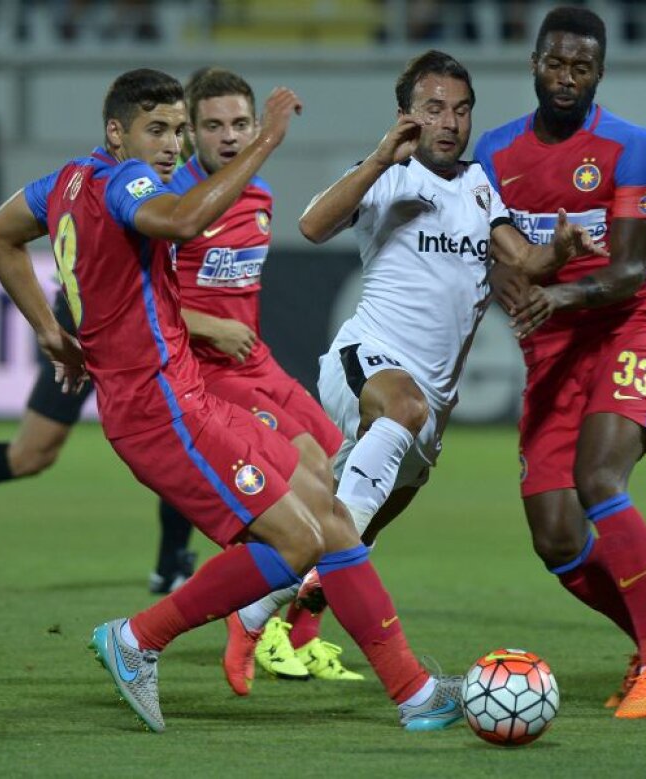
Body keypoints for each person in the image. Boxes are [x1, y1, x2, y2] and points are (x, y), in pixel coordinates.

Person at [0, 67, 463, 734]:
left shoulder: (63, 182)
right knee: (294, 541)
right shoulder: (128, 183)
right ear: (115, 133)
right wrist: (266, 139)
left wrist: (49, 330)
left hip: (181, 392)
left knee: (327, 513)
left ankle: (415, 693)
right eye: (158, 129)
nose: (172, 144)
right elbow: (178, 221)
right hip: (158, 407)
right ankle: (139, 638)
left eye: (179, 129)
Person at [222, 49, 604, 687]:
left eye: (460, 109)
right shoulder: (388, 174)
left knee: (348, 529)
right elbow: (312, 225)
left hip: (433, 402)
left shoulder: (480, 185)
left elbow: (525, 262)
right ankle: (302, 629)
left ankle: (255, 608)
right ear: (407, 116)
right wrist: (379, 157)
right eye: (433, 109)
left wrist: (559, 250)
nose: (449, 122)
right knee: (398, 418)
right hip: (368, 362)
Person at [473, 5, 646, 720]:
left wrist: (555, 297)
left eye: (582, 67)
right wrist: (515, 288)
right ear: (533, 63)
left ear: (600, 73)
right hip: (552, 352)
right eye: (555, 64)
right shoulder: (494, 155)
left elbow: (629, 270)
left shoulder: (634, 145)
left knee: (599, 479)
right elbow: (493, 255)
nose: (566, 79)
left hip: (626, 329)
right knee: (556, 537)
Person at [169, 66, 363, 687]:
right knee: (305, 471)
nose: (229, 136)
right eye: (214, 125)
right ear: (192, 131)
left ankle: (299, 634)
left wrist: (235, 332)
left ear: (256, 125)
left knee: (343, 478)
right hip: (207, 374)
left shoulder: (258, 194)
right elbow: (143, 301)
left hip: (259, 363)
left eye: (240, 124)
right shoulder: (173, 203)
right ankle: (256, 621)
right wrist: (210, 328)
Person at [0, 290, 195, 593]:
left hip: (146, 325)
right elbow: (1, 240)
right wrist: (48, 327)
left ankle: (170, 564)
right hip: (86, 315)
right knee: (31, 454)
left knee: (177, 434)